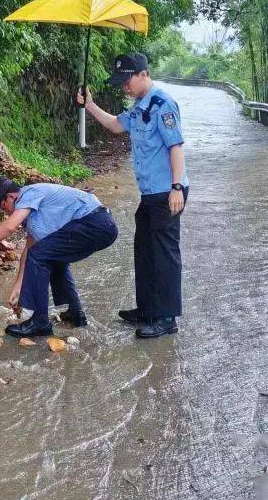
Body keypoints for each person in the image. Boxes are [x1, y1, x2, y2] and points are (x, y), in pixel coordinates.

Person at [78, 51, 188, 338]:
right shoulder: (140, 107)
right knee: (144, 252)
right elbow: (115, 124)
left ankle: (166, 318)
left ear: (143, 74)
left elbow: (176, 147)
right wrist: (89, 105)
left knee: (164, 255)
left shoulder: (163, 104)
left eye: (127, 81)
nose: (124, 87)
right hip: (150, 193)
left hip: (167, 192)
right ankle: (147, 309)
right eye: (121, 83)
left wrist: (177, 188)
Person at [0, 176, 118, 338]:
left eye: (3, 206)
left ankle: (40, 323)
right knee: (52, 258)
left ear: (11, 196)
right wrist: (18, 288)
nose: (5, 212)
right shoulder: (33, 214)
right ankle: (75, 314)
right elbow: (28, 251)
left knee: (41, 255)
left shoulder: (29, 193)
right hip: (101, 227)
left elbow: (10, 227)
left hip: (96, 223)